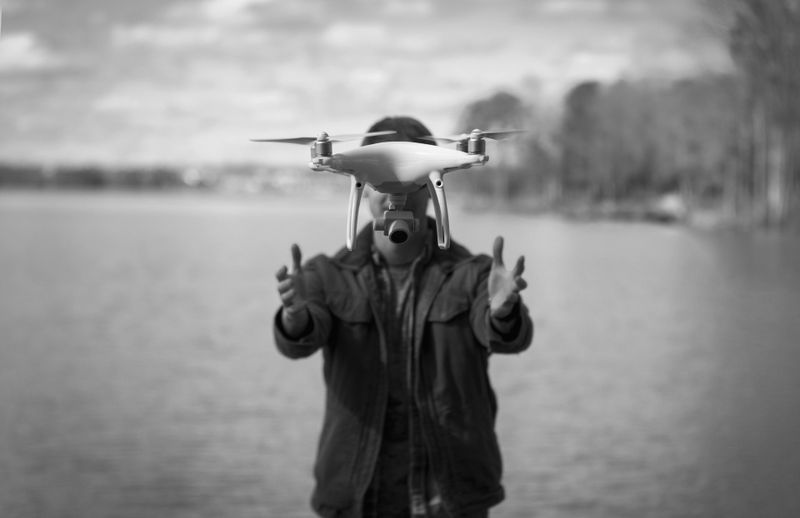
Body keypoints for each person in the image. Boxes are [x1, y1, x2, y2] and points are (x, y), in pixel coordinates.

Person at [273, 116, 534, 518]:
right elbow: (299, 339)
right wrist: (294, 317)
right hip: (356, 498)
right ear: (363, 188)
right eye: (383, 184)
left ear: (433, 188)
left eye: (413, 185)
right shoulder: (326, 275)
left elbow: (508, 335)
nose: (397, 197)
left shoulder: (473, 274)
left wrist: (504, 312)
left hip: (451, 500)